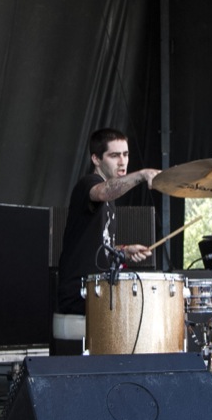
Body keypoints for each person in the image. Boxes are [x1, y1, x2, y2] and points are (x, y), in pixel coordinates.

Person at [54, 129, 160, 346]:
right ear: (96, 159)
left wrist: (122, 251)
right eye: (114, 155)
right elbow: (102, 192)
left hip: (98, 291)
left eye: (126, 154)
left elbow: (97, 246)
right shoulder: (88, 184)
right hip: (80, 292)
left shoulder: (111, 200)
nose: (123, 162)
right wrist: (141, 175)